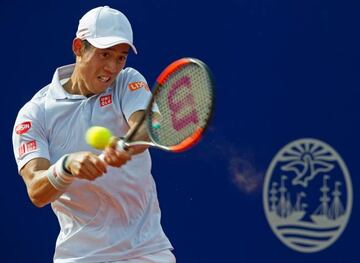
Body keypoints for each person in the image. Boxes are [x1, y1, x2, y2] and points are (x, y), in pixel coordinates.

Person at [12, 6, 175, 263]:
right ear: (78, 47)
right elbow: (36, 191)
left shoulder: (127, 81)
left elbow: (148, 125)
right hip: (78, 256)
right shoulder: (35, 114)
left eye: (120, 57)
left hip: (145, 251)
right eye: (104, 54)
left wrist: (127, 143)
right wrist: (66, 166)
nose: (112, 67)